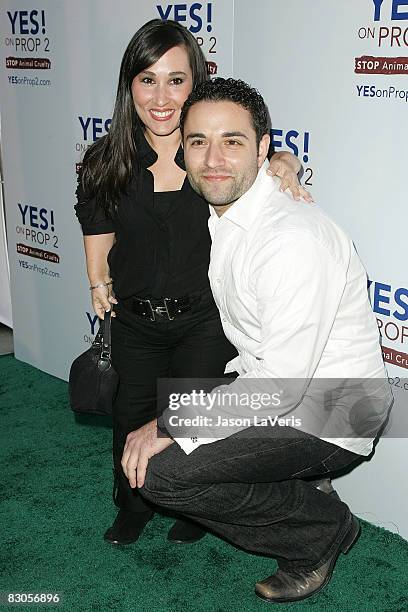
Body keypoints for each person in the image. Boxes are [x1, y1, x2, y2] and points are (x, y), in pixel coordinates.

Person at [121, 78, 392, 603]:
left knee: (161, 471)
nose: (214, 158)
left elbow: (281, 388)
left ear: (262, 148)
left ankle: (321, 530)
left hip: (332, 412)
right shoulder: (232, 211)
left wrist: (175, 423)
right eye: (199, 141)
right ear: (183, 148)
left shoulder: (289, 239)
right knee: (166, 410)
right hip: (282, 389)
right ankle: (295, 485)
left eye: (233, 141)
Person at [75, 19, 307, 546]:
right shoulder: (105, 160)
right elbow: (96, 224)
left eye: (176, 80)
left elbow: (265, 163)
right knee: (129, 420)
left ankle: (193, 509)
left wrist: (288, 163)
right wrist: (96, 280)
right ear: (128, 84)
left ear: (196, 83)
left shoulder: (209, 153)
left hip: (205, 320)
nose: (161, 97)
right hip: (134, 321)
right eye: (147, 79)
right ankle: (132, 507)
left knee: (192, 420)